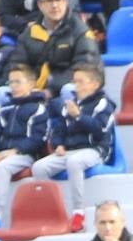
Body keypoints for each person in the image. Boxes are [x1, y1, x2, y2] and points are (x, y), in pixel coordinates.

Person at [32, 64, 116, 231]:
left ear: (94, 84)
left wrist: (78, 116)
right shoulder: (71, 104)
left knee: (74, 163)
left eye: (80, 82)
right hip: (69, 151)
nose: (76, 86)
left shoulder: (103, 104)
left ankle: (78, 212)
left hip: (95, 150)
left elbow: (100, 131)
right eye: (75, 81)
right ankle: (51, 212)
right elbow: (59, 130)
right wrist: (58, 145)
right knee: (38, 167)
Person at [0, 64, 49, 220]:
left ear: (31, 84)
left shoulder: (39, 108)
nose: (13, 86)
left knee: (3, 167)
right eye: (10, 82)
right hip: (0, 153)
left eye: (17, 82)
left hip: (25, 155)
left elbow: (37, 139)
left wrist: (14, 152)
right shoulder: (2, 108)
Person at [3, 0, 99, 107]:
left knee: (69, 90)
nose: (55, 5)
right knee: (0, 94)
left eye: (59, 0)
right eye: (49, 1)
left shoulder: (81, 32)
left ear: (66, 2)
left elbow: (84, 67)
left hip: (62, 88)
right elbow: (18, 64)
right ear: (40, 5)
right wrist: (26, 86)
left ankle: (73, 125)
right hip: (33, 88)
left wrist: (51, 89)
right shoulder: (29, 33)